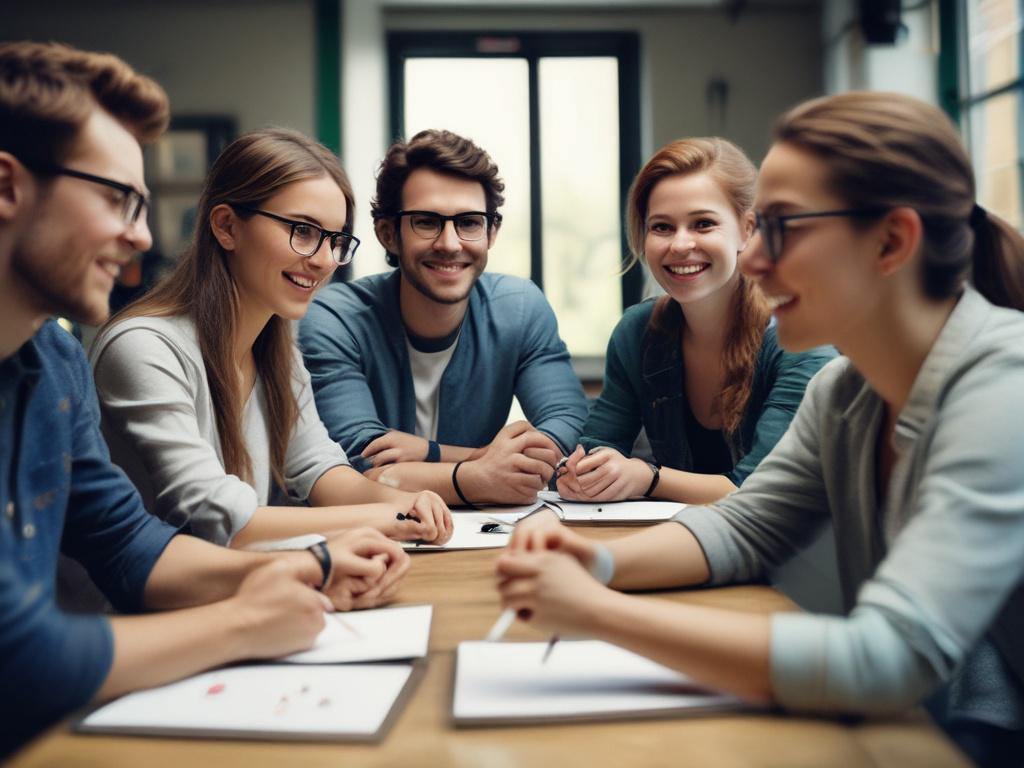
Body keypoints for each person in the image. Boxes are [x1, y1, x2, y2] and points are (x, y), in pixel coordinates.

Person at [496, 92, 1024, 767]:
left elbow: (885, 658)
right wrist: (594, 563)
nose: (752, 260)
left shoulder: (1005, 383)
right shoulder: (845, 392)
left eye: (783, 228)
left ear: (892, 241)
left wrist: (599, 612)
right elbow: (744, 524)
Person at [0, 41, 409, 758]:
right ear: (6, 188)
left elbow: (131, 543)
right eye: (115, 197)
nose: (143, 235)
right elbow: (18, 657)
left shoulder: (54, 357)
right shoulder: (137, 344)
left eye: (332, 240)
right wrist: (248, 618)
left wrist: (309, 566)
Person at [91, 128, 452, 548]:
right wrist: (386, 514)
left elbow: (319, 469)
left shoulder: (278, 351)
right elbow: (214, 513)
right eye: (302, 230)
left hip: (235, 592)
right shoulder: (143, 348)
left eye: (336, 240)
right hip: (128, 610)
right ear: (227, 226)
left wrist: (410, 501)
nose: (322, 260)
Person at [299, 129, 588, 506]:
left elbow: (567, 426)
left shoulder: (520, 308)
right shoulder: (334, 318)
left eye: (469, 222)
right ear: (388, 233)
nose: (450, 244)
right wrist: (478, 470)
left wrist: (429, 452)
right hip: (365, 538)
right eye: (426, 221)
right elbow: (358, 464)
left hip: (484, 539)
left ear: (492, 232)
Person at [557, 137, 834, 505]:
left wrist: (648, 478)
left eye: (703, 224)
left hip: (790, 557)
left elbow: (759, 489)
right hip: (682, 547)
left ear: (747, 229)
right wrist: (580, 473)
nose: (680, 245)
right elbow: (598, 445)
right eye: (662, 227)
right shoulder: (637, 332)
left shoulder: (802, 339)